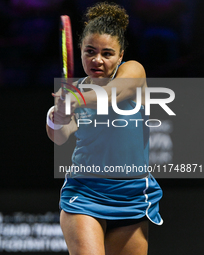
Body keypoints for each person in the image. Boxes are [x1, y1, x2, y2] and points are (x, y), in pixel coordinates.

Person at [46, 2, 163, 255]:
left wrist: (76, 99)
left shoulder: (133, 71)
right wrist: (57, 117)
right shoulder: (73, 91)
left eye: (107, 53)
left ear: (120, 56)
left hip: (133, 195)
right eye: (90, 51)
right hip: (85, 193)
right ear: (80, 51)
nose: (97, 59)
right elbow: (60, 137)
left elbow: (113, 93)